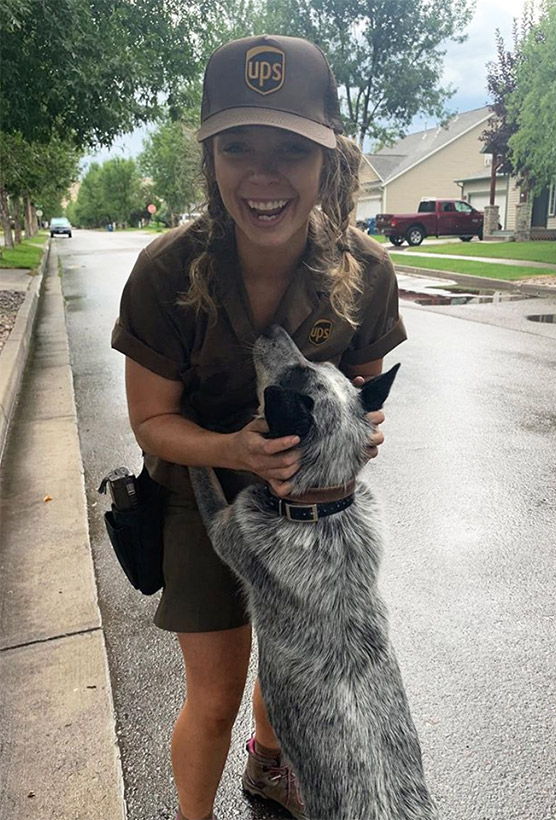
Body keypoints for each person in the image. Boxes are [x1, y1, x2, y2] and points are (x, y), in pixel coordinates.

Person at [111, 34, 406, 820]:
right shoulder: (167, 274)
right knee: (214, 699)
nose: (264, 176)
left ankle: (270, 763)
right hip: (197, 495)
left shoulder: (367, 273)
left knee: (295, 669)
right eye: (239, 146)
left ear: (330, 164)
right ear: (210, 158)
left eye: (292, 151)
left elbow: (367, 397)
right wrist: (230, 449)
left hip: (308, 510)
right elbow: (150, 422)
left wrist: (359, 440)